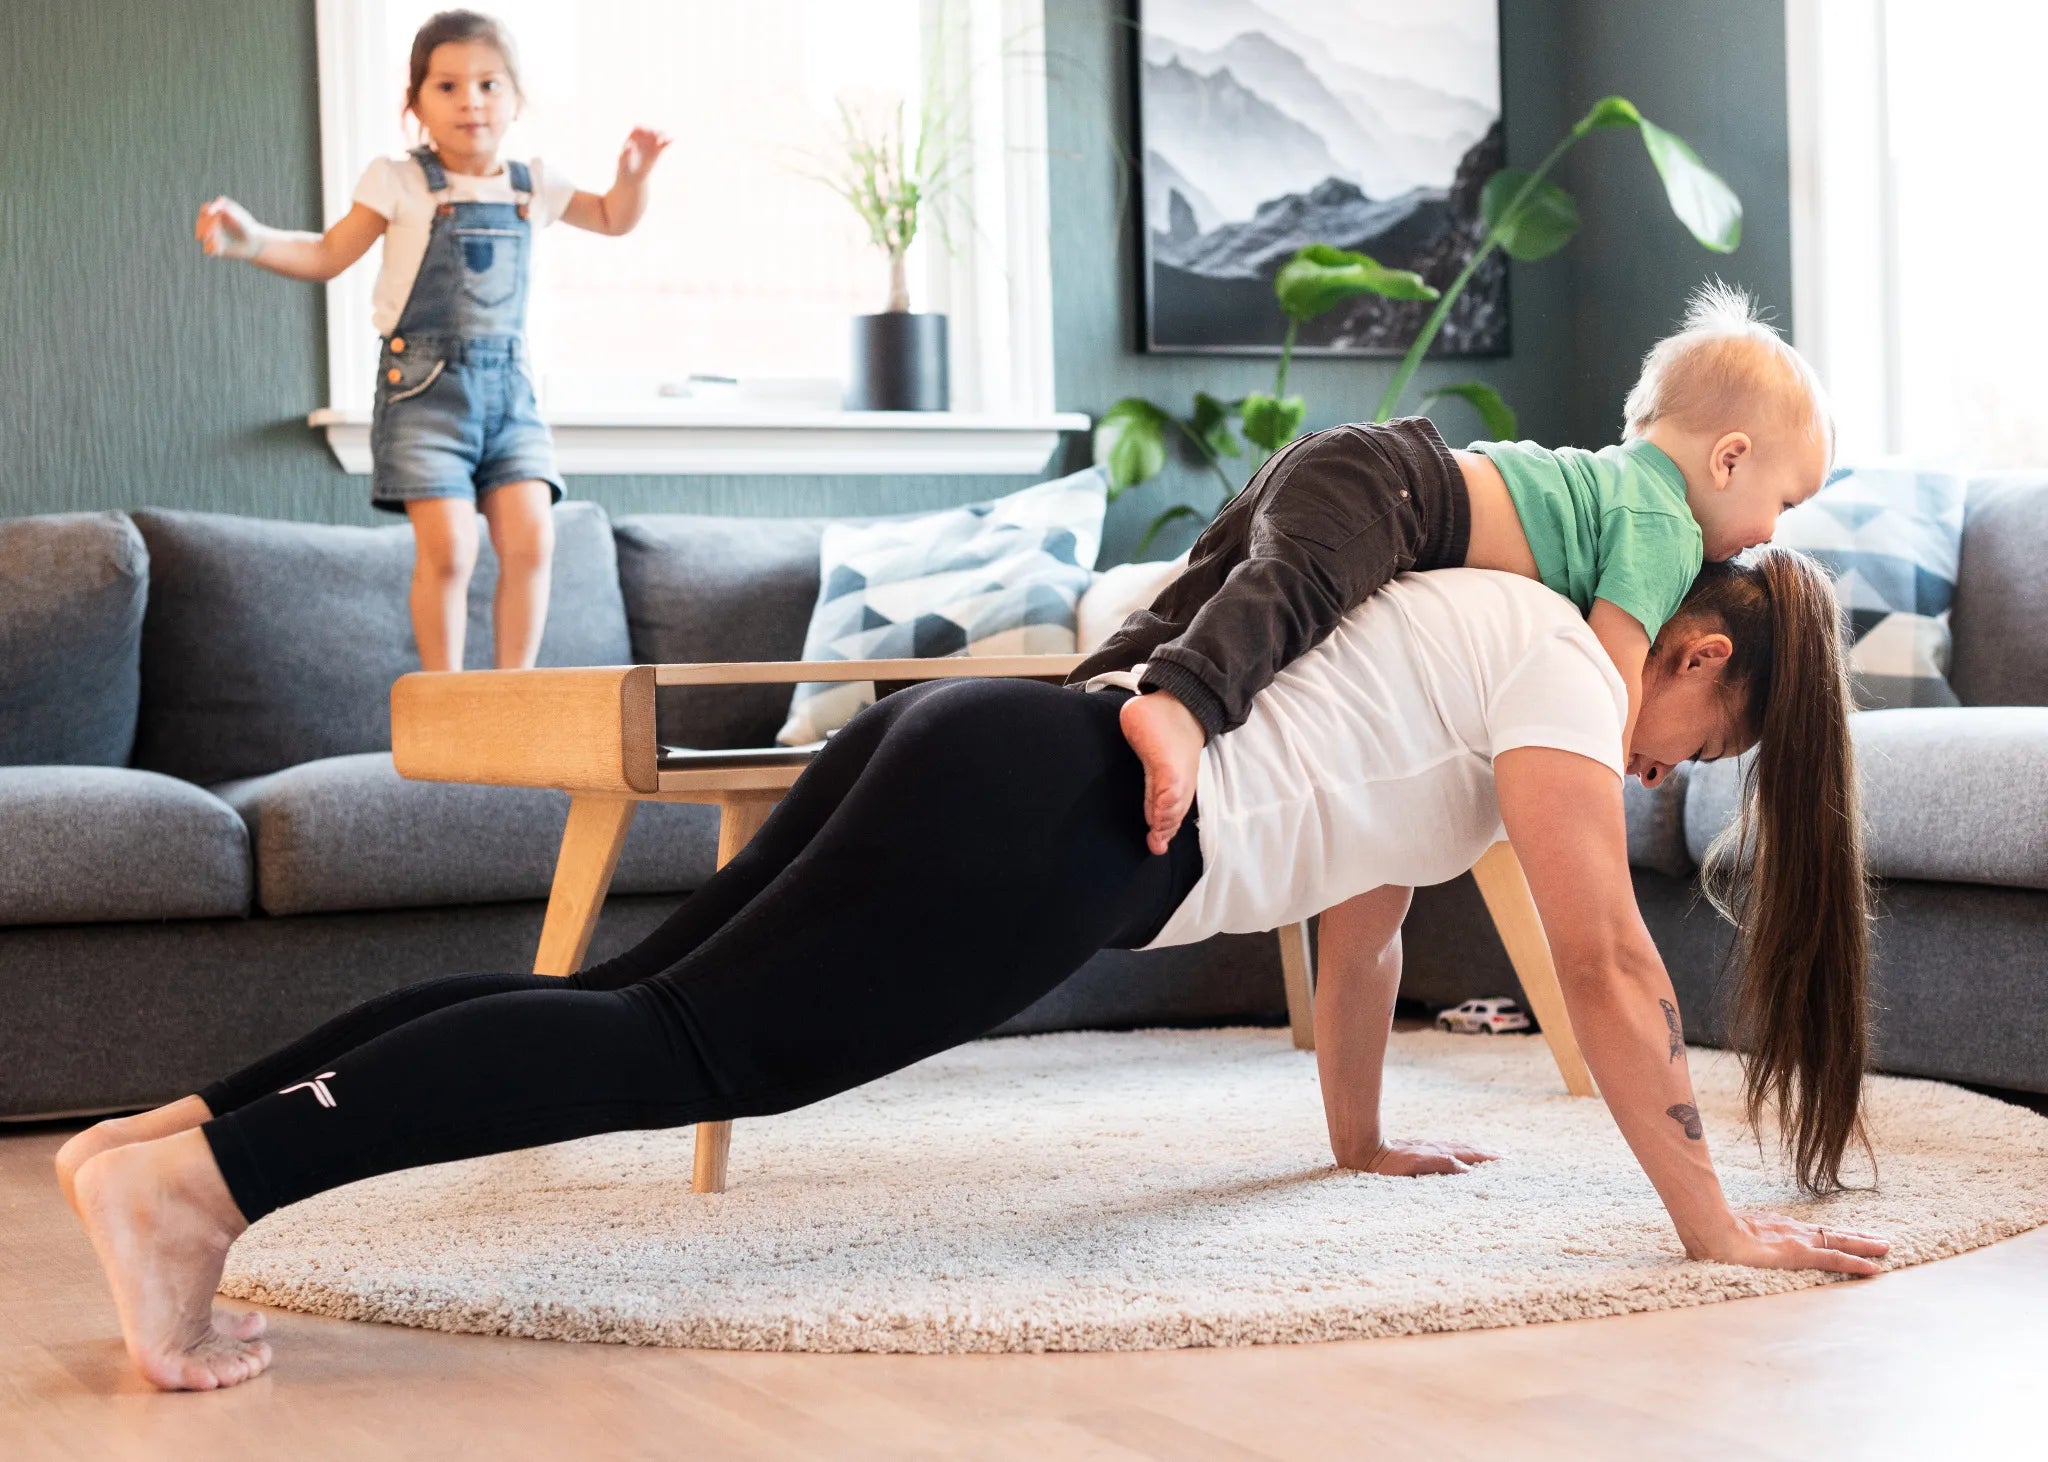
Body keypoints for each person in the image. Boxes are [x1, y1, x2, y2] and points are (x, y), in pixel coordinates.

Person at [56, 548, 1887, 1392]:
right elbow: (1605, 956)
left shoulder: (1477, 641)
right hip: (1064, 815)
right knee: (684, 1042)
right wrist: (1708, 1220)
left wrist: (1351, 1141)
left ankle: (178, 1138)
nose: (1662, 766)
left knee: (643, 997)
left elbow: (1370, 916)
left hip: (997, 745)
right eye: (1700, 738)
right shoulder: (1566, 670)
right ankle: (210, 1182)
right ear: (1699, 643)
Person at [1084, 281, 1834, 857]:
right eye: (1785, 503)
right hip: (1398, 494)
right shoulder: (1664, 528)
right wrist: (1599, 782)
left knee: (1210, 582)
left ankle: (1091, 688)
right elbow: (1613, 669)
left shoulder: (1623, 486)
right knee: (1289, 595)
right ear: (1730, 459)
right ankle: (1183, 709)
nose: (1771, 534)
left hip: (1363, 466)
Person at [193, 9, 670, 672]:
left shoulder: (535, 184)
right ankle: (445, 696)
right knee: (450, 549)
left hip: (511, 395)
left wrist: (635, 176)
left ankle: (512, 692)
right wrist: (253, 241)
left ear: (516, 99)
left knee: (531, 541)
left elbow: (616, 218)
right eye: (446, 87)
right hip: (422, 393)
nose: (470, 101)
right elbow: (327, 253)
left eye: (488, 84)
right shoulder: (399, 181)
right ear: (413, 102)